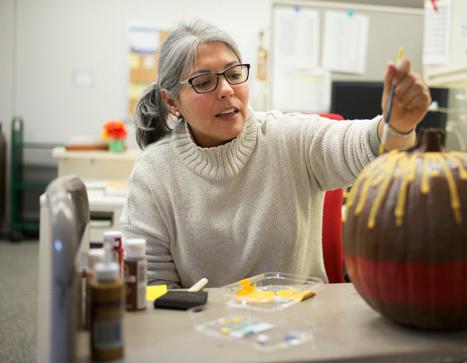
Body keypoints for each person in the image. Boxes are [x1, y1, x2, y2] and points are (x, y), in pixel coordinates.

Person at [121, 20, 431, 288]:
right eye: (204, 82)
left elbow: (364, 146)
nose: (227, 89)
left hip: (299, 328)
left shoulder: (289, 137)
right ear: (172, 102)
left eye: (233, 73)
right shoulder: (154, 173)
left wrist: (396, 126)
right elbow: (150, 286)